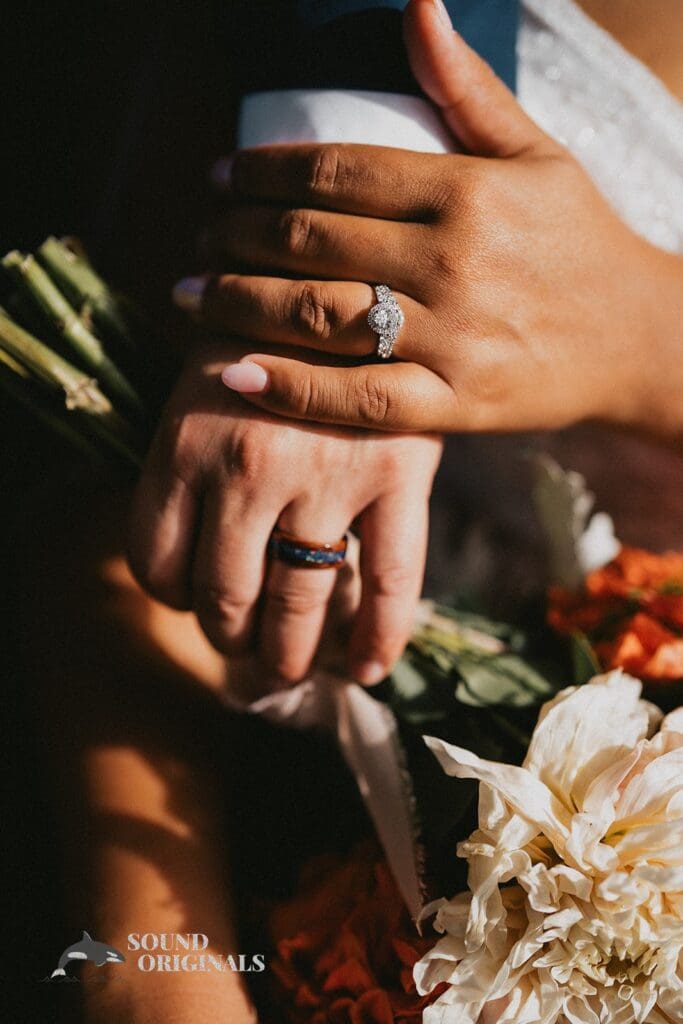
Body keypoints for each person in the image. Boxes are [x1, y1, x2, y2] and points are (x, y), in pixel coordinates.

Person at [26, 2, 682, 1022]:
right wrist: (157, 977)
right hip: (231, 813)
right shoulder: (336, 47)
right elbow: (126, 518)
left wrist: (644, 336)